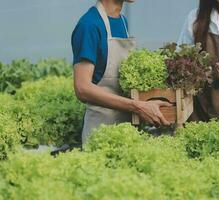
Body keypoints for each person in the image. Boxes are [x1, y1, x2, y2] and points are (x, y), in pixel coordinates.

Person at [71, 0, 171, 144]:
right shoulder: (89, 25)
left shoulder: (122, 21)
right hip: (101, 134)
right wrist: (138, 106)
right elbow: (82, 88)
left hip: (127, 130)